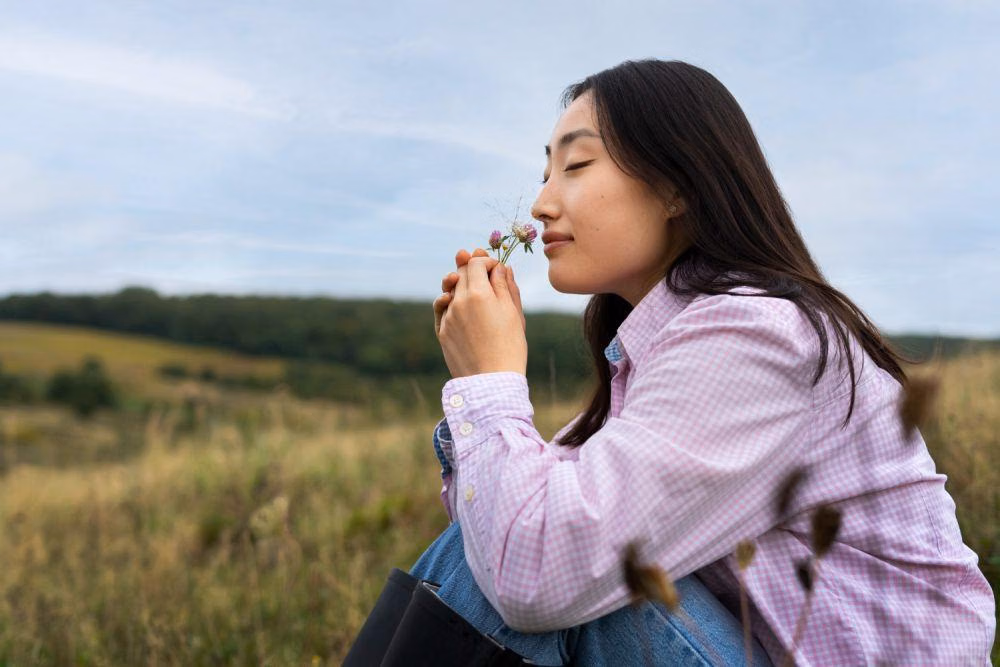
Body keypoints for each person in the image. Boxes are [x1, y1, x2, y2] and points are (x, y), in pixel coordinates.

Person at [363, 59, 997, 665]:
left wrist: (488, 380)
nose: (541, 204)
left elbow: (529, 566)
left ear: (675, 187)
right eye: (545, 174)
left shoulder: (759, 336)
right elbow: (508, 530)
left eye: (575, 166)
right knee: (513, 544)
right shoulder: (666, 346)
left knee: (535, 559)